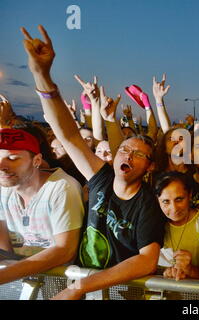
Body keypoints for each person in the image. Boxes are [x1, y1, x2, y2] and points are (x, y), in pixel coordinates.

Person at [20, 25, 166, 299]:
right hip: (81, 281)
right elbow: (68, 134)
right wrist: (42, 75)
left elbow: (147, 259)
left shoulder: (148, 204)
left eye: (138, 154)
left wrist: (85, 286)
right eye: (123, 149)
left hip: (121, 290)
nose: (127, 156)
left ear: (150, 166)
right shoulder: (102, 178)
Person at [0, 127, 84, 285]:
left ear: (36, 161)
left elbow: (65, 250)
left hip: (59, 281)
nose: (2, 166)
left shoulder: (62, 187)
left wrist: (7, 275)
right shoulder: (4, 188)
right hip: (20, 278)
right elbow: (3, 243)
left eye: (12, 158)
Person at [155, 171, 199, 280]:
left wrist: (191, 270)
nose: (174, 208)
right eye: (166, 202)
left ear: (190, 195)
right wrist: (165, 273)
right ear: (158, 201)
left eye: (179, 199)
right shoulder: (153, 226)